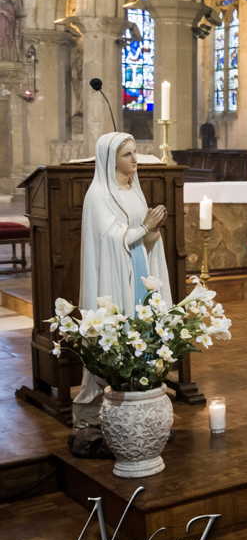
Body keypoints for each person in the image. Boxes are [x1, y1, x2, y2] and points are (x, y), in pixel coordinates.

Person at [73, 132, 172, 430]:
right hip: (114, 277)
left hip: (138, 271)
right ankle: (111, 400)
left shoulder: (133, 191)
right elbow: (110, 240)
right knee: (119, 331)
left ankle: (140, 387)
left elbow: (142, 239)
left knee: (142, 330)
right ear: (110, 159)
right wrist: (145, 226)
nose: (135, 159)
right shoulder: (98, 195)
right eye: (128, 154)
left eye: (135, 152)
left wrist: (153, 230)